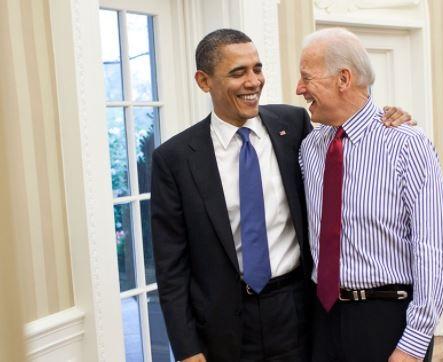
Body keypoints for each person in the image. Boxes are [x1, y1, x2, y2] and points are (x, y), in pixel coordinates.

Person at [151, 28, 412, 362]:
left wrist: (387, 115)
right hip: (224, 327)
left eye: (257, 69)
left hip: (298, 312)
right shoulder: (174, 159)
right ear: (204, 81)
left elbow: (349, 125)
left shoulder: (294, 125)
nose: (254, 82)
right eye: (238, 73)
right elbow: (171, 269)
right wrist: (188, 350)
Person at [297, 28, 443, 362]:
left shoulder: (407, 144)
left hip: (386, 320)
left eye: (307, 78)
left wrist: (414, 343)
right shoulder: (309, 147)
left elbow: (433, 248)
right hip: (321, 319)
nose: (299, 88)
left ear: (343, 78)